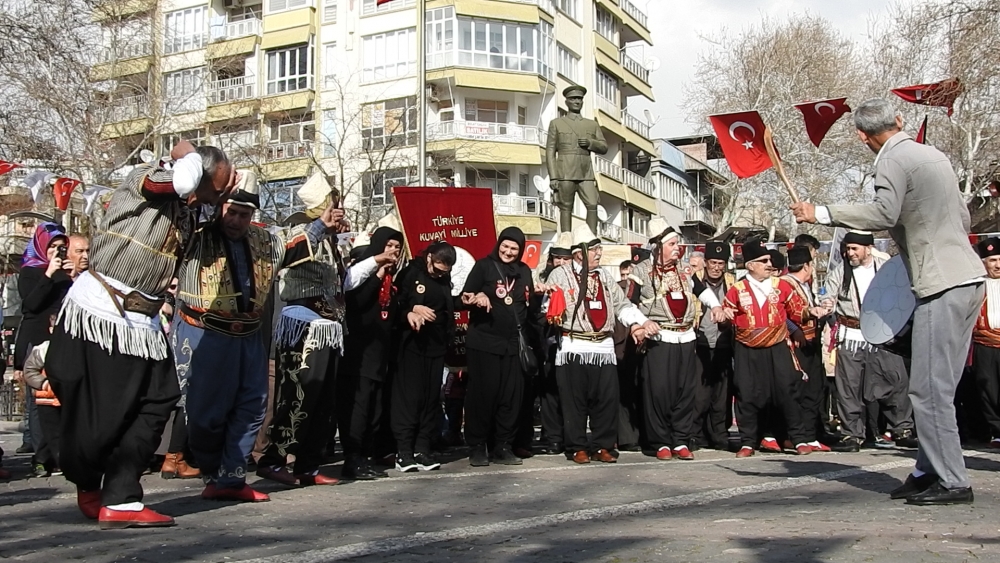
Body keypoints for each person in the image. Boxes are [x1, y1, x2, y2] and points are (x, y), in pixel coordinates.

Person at [791, 98, 985, 506]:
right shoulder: (933, 154)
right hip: (965, 277)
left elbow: (883, 211)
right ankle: (925, 470)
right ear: (899, 120)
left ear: (862, 136)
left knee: (929, 391)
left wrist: (820, 212)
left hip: (940, 283)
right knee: (934, 387)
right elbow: (958, 220)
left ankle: (952, 480)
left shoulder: (890, 160)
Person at [46, 141, 235, 529]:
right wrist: (193, 158)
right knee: (106, 415)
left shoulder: (189, 211)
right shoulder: (145, 180)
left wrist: (216, 193)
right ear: (195, 172)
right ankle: (88, 480)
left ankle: (121, 498)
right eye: (214, 189)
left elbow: (201, 206)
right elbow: (180, 185)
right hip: (103, 314)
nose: (214, 199)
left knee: (159, 399)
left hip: (144, 322)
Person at [175, 179, 347, 500]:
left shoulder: (264, 240)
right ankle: (214, 474)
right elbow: (182, 213)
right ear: (219, 208)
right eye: (232, 212)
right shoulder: (198, 235)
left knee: (252, 406)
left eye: (244, 214)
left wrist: (323, 224)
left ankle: (232, 479)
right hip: (205, 332)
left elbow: (295, 244)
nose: (236, 221)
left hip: (249, 334)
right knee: (204, 411)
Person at [259, 174, 348, 487]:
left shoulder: (332, 241)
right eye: (334, 207)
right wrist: (322, 225)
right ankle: (274, 459)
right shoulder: (298, 229)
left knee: (323, 402)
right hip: (303, 323)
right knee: (298, 396)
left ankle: (308, 465)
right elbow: (288, 252)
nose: (339, 213)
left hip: (329, 328)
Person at [544, 225, 659, 463]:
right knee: (574, 401)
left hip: (603, 347)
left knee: (606, 400)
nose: (599, 254)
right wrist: (547, 299)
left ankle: (603, 445)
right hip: (575, 345)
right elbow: (549, 306)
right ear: (579, 254)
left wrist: (641, 321)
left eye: (599, 249)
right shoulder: (560, 275)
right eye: (595, 250)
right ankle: (577, 446)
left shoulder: (605, 276)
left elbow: (622, 305)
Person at [723, 238, 824, 458]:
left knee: (787, 391)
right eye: (764, 260)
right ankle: (748, 441)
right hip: (746, 349)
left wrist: (810, 313)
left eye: (770, 260)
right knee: (747, 393)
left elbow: (796, 311)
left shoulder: (781, 286)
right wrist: (724, 315)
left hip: (777, 345)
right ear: (750, 265)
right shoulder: (736, 289)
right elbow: (725, 310)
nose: (770, 264)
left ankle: (797, 438)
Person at [635, 219, 727, 461]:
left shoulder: (685, 270)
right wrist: (639, 324)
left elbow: (702, 291)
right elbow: (628, 301)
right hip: (659, 337)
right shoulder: (642, 270)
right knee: (660, 392)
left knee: (685, 391)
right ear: (659, 247)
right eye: (673, 244)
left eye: (678, 244)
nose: (678, 248)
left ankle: (680, 439)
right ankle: (660, 441)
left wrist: (716, 306)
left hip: (686, 337)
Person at [819, 231, 915, 452]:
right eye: (847, 248)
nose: (849, 253)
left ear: (868, 248)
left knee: (895, 381)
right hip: (851, 335)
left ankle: (902, 429)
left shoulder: (887, 267)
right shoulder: (840, 270)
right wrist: (825, 306)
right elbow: (828, 296)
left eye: (854, 249)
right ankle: (851, 434)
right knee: (848, 387)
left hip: (884, 334)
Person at [462, 227, 537, 466]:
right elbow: (465, 296)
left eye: (514, 248)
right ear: (498, 245)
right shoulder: (483, 266)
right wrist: (477, 297)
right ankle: (477, 446)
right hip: (484, 343)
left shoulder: (524, 271)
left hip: (514, 344)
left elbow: (529, 304)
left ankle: (503, 445)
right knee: (483, 396)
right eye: (505, 246)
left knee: (511, 398)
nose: (508, 251)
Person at [338, 226, 403, 480]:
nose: (393, 252)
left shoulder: (392, 282)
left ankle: (364, 456)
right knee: (358, 410)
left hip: (379, 357)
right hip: (358, 354)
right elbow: (357, 302)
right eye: (389, 246)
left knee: (374, 411)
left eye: (398, 247)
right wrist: (377, 272)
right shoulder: (363, 273)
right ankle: (352, 459)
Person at [391, 241, 457, 472]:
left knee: (431, 399)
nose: (438, 274)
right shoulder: (411, 273)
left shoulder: (444, 281)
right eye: (437, 269)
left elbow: (445, 308)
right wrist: (411, 310)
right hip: (411, 345)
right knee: (410, 399)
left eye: (444, 272)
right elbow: (394, 305)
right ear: (429, 257)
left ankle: (422, 448)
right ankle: (404, 451)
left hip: (436, 345)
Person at [13, 222, 71, 478]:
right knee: (37, 402)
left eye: (61, 248)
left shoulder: (63, 274)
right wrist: (48, 274)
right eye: (52, 247)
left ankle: (57, 453)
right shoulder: (30, 272)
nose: (57, 252)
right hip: (36, 339)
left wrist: (71, 278)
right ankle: (39, 456)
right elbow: (31, 305)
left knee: (56, 399)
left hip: (58, 339)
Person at [782, 245, 831, 453]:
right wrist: (795, 330)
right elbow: (781, 313)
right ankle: (798, 435)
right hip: (795, 345)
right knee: (799, 391)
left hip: (811, 342)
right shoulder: (784, 285)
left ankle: (810, 435)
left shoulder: (803, 285)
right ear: (806, 265)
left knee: (814, 389)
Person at [546, 86, 609, 232]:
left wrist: (590, 143)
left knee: (592, 204)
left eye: (579, 99)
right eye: (573, 98)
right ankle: (566, 238)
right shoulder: (557, 123)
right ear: (566, 101)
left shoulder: (591, 124)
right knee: (565, 206)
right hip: (565, 172)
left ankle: (591, 238)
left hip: (585, 171)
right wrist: (553, 177)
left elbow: (604, 147)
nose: (577, 101)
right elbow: (550, 151)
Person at [693, 241, 736, 451]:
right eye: (713, 262)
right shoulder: (695, 282)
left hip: (724, 344)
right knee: (700, 394)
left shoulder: (732, 283)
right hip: (699, 343)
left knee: (721, 395)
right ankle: (696, 433)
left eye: (721, 263)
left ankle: (719, 434)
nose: (717, 267)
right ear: (705, 262)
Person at [535, 232, 573, 455]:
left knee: (569, 392)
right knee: (549, 391)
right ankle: (553, 437)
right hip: (548, 340)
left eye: (565, 259)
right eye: (556, 258)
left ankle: (570, 435)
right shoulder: (541, 280)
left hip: (572, 341)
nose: (560, 263)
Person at [161, 279, 200, 480]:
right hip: (191, 326)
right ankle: (174, 456)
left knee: (184, 396)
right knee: (187, 396)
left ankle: (174, 457)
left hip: (183, 325)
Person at [22, 314, 61, 476]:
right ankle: (41, 461)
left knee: (65, 433)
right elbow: (29, 371)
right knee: (48, 433)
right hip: (47, 397)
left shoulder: (77, 349)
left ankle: (61, 461)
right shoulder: (43, 349)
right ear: (51, 329)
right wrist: (44, 384)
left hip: (68, 400)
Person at [972, 237, 1000, 448]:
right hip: (984, 343)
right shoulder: (977, 286)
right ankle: (996, 430)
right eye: (992, 260)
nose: (997, 265)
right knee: (987, 386)